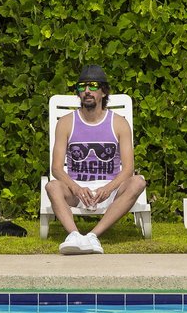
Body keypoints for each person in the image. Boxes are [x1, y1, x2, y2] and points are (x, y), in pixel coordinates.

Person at [46, 65, 147, 255]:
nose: (86, 92)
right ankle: (75, 235)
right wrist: (76, 187)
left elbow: (128, 169)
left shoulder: (119, 123)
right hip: (77, 190)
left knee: (138, 182)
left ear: (103, 91)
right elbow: (57, 168)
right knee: (52, 186)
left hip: (110, 190)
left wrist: (108, 188)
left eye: (92, 86)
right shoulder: (66, 123)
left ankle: (92, 236)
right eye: (82, 87)